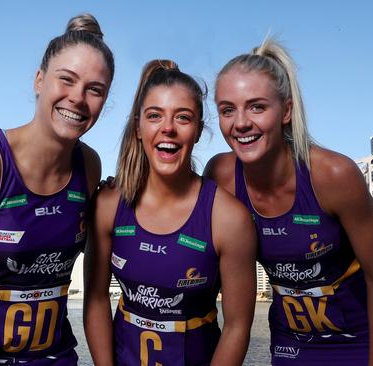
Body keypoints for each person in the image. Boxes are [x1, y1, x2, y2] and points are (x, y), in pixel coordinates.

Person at [205, 39, 373, 365]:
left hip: (368, 338)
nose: (241, 122)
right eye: (227, 109)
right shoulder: (221, 176)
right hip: (293, 344)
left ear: (286, 111)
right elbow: (181, 210)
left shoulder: (334, 175)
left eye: (257, 106)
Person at [0, 13, 115, 365]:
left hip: (55, 358)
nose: (78, 98)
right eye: (66, 80)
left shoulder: (89, 166)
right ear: (39, 81)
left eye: (95, 89)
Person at [84, 60, 257, 366]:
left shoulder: (229, 219)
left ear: (199, 130)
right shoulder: (109, 204)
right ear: (138, 128)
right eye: (154, 116)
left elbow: (237, 327)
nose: (168, 128)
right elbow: (96, 299)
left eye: (183, 117)